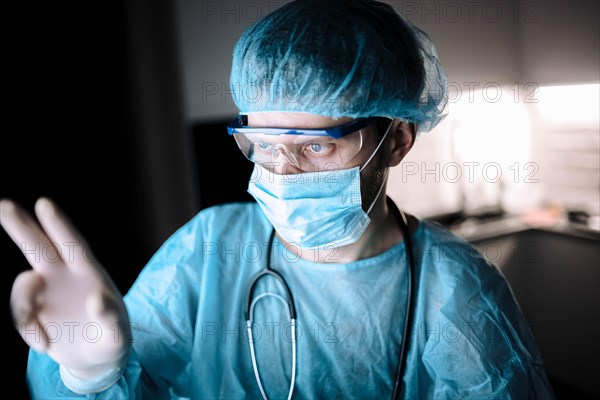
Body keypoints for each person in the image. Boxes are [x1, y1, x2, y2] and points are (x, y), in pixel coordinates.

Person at [2, 0, 555, 398]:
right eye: (263, 146)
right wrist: (89, 379)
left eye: (315, 146)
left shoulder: (454, 289)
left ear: (397, 141)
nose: (282, 173)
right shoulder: (209, 247)